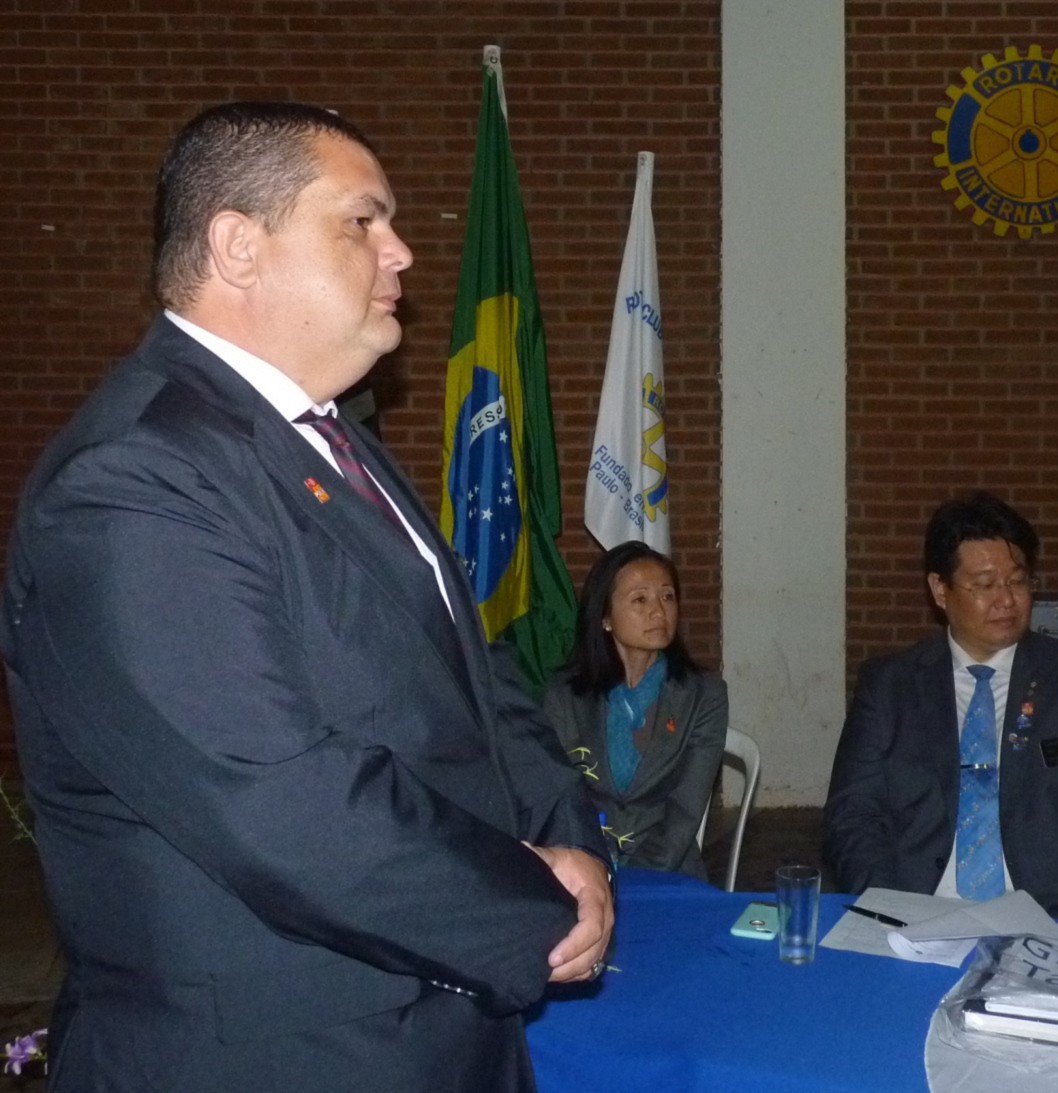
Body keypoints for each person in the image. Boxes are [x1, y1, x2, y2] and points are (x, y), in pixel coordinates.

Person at [0, 102, 613, 1092]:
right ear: (239, 247)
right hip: (279, 1055)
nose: (401, 252)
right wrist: (533, 907)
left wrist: (573, 846)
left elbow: (477, 681)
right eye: (362, 221)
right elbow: (276, 797)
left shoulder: (331, 441)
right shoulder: (135, 479)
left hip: (430, 1022)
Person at [823, 491, 1058, 929]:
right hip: (916, 914)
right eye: (985, 585)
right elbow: (853, 815)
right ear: (940, 589)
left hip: (1054, 919)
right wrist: (891, 911)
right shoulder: (890, 687)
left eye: (1018, 581)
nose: (1007, 600)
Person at [543, 542, 729, 879]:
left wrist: (634, 879)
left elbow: (685, 811)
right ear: (605, 617)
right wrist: (592, 871)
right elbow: (557, 796)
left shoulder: (704, 695)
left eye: (667, 596)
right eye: (640, 599)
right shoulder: (566, 695)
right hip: (584, 867)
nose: (659, 612)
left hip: (667, 871)